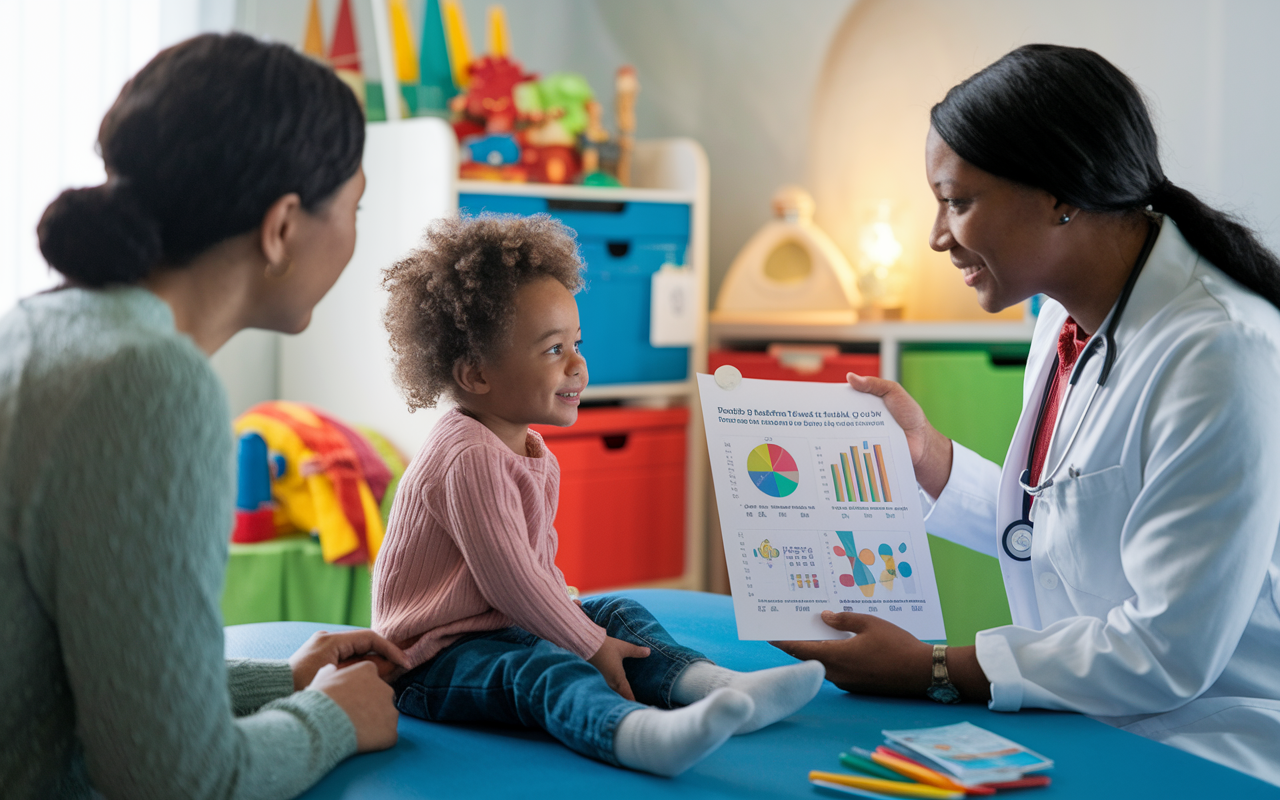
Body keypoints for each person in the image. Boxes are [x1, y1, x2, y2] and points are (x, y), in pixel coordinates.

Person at [774, 44, 1280, 786]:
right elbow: (1061, 530)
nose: (937, 236)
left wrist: (932, 667)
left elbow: (1168, 652)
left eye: (958, 201)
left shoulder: (1220, 354)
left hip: (1209, 741)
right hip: (1085, 714)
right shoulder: (1064, 317)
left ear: (1058, 194)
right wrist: (933, 461)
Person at [0, 33, 412, 799]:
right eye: (354, 208)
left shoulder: (43, 327)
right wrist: (333, 717)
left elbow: (94, 666)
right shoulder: (149, 381)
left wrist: (285, 680)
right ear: (283, 227)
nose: (356, 235)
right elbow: (179, 782)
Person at [373, 214, 826, 777]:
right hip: (430, 661)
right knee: (540, 671)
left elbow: (535, 567)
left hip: (499, 626)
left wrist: (583, 626)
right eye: (552, 349)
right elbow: (510, 577)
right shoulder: (467, 455)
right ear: (476, 373)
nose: (578, 364)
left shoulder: (529, 449)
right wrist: (585, 645)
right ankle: (632, 732)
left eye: (576, 343)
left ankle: (714, 686)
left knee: (618, 612)